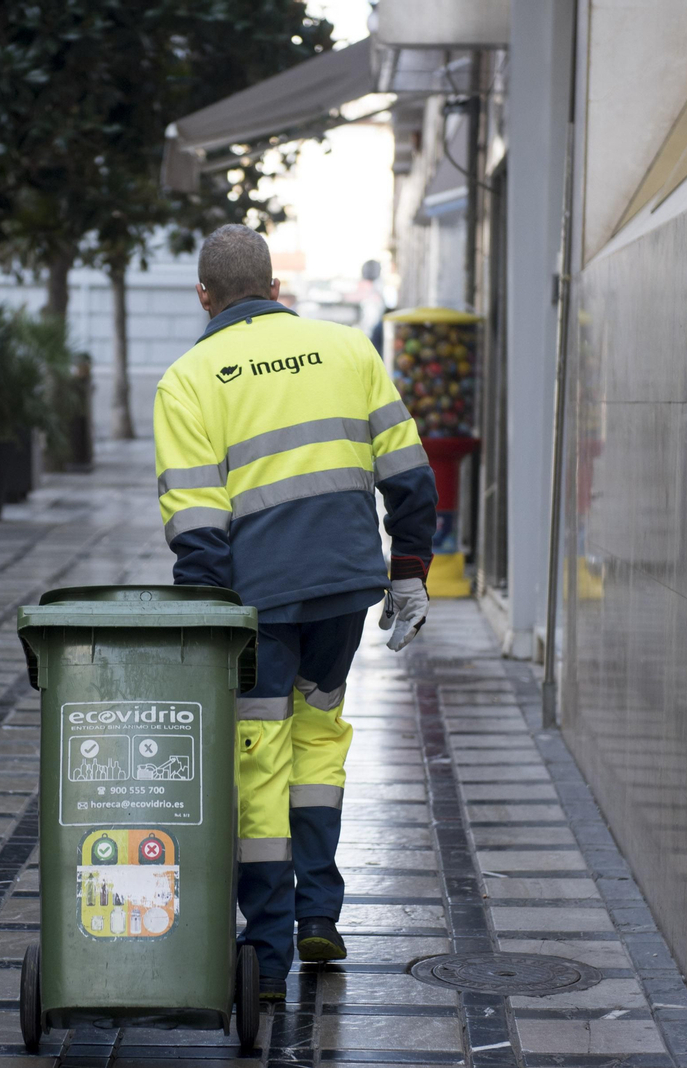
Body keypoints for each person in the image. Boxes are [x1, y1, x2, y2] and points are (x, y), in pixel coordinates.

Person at [153, 224, 439, 1003]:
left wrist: (210, 621)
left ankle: (268, 954)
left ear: (204, 297)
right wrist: (409, 568)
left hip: (257, 604)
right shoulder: (347, 350)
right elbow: (409, 472)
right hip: (344, 589)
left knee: (259, 758)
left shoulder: (188, 378)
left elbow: (198, 524)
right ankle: (320, 916)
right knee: (319, 740)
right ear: (277, 290)